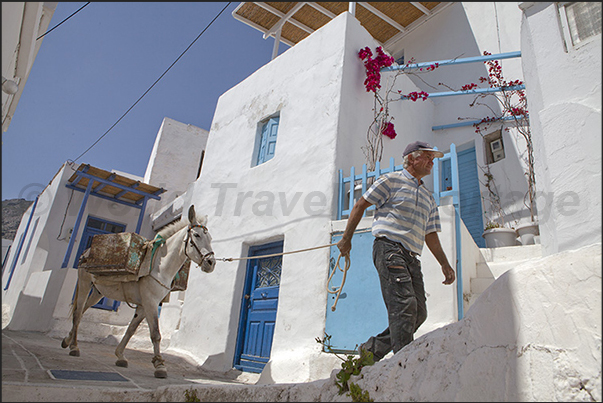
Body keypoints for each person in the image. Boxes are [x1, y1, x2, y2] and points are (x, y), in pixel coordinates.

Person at [337, 140, 456, 362]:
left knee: (419, 312)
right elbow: (360, 205)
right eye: (427, 156)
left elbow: (430, 234)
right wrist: (346, 239)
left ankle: (369, 353)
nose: (432, 161)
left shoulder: (429, 198)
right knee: (404, 306)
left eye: (433, 158)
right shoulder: (391, 181)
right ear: (411, 158)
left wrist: (444, 264)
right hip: (389, 248)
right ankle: (403, 365)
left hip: (412, 256)